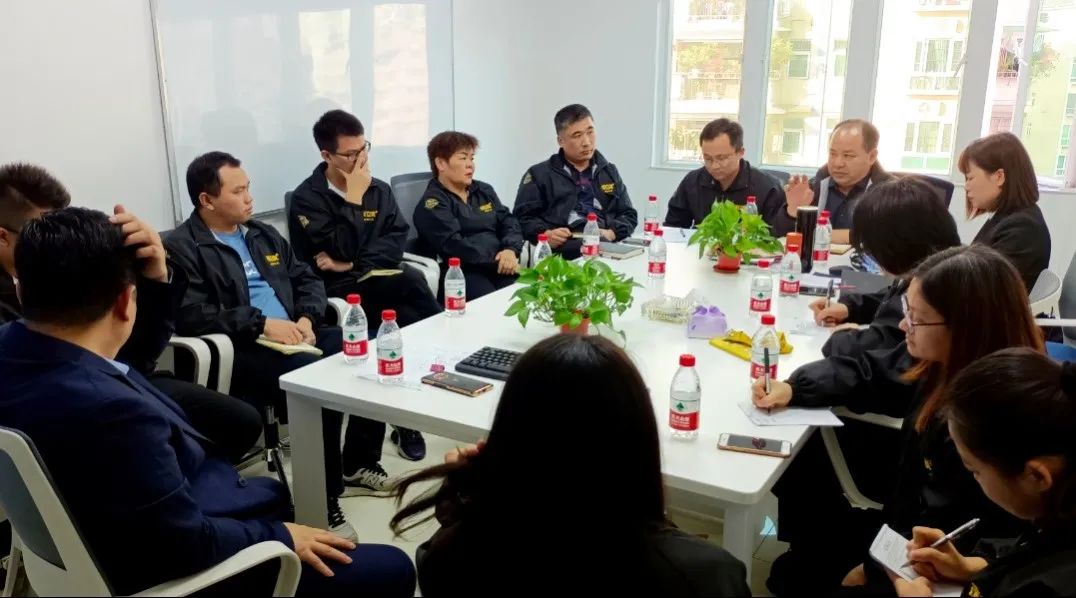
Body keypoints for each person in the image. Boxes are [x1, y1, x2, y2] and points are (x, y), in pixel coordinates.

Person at [0, 207, 416, 597]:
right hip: (177, 568)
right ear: (126, 302)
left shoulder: (16, 352)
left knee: (272, 491)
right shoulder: (114, 413)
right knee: (393, 566)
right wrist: (282, 537)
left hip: (96, 540)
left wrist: (157, 279)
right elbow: (185, 543)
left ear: (21, 288)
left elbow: (128, 361)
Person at [755, 245, 1041, 595]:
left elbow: (963, 538)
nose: (904, 324)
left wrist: (878, 571)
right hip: (909, 534)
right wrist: (795, 387)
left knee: (795, 577)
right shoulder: (943, 363)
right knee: (792, 567)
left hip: (938, 564)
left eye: (916, 318)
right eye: (906, 309)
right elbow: (875, 372)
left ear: (965, 328)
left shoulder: (990, 417)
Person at [390, 334, 751, 597]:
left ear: (511, 434)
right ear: (636, 440)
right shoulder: (706, 575)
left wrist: (468, 500)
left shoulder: (452, 558)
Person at [165, 151, 396, 540]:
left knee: (368, 348)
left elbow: (306, 279)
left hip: (296, 334)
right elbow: (192, 314)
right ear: (207, 200)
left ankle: (358, 461)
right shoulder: (183, 248)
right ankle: (322, 502)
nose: (249, 198)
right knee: (319, 381)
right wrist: (262, 324)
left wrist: (307, 317)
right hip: (244, 347)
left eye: (248, 188)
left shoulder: (261, 234)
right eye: (238, 191)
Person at [0, 163, 261, 464]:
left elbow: (139, 355)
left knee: (237, 422)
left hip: (115, 375)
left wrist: (156, 280)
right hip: (58, 404)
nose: (54, 240)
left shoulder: (67, 265)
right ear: (3, 237)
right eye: (40, 232)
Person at [289, 110, 437, 460]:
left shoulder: (379, 189)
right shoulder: (307, 199)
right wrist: (353, 201)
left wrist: (354, 262)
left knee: (405, 317)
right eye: (350, 154)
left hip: (375, 279)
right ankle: (442, 356)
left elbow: (395, 242)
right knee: (411, 281)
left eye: (364, 149)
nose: (361, 160)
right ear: (326, 155)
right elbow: (336, 250)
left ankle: (404, 412)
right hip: (337, 290)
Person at [888, 349, 1076, 597]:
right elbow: (1028, 554)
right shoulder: (1056, 517)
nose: (974, 479)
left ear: (1037, 476)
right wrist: (970, 567)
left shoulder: (1053, 586)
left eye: (974, 470)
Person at [810, 176, 962, 355]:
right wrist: (849, 308)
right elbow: (891, 298)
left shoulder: (932, 291)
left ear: (895, 244)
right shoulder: (928, 267)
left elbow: (881, 345)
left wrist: (842, 336)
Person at [513, 104, 638, 259]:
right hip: (566, 247)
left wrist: (612, 233)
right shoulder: (539, 174)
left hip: (607, 244)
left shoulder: (608, 171)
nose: (586, 142)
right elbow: (521, 219)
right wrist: (545, 234)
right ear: (561, 141)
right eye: (577, 135)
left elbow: (628, 214)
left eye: (590, 132)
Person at [412, 131, 522, 300]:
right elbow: (455, 246)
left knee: (528, 295)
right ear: (441, 163)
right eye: (463, 158)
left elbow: (508, 221)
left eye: (472, 158)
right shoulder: (432, 204)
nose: (470, 165)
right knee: (491, 302)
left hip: (500, 264)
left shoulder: (484, 190)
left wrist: (510, 249)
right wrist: (499, 260)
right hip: (461, 272)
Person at [958, 131, 1051, 293]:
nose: (966, 186)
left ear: (999, 177)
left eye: (970, 178)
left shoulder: (1022, 228)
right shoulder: (1005, 217)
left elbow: (981, 288)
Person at [775, 119, 894, 242]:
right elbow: (779, 236)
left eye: (848, 155)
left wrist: (825, 236)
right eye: (832, 154)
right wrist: (792, 211)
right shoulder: (814, 187)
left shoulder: (892, 195)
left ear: (872, 156)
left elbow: (889, 238)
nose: (837, 163)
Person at [663, 118, 785, 229]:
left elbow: (777, 236)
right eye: (708, 159)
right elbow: (673, 227)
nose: (714, 166)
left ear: (740, 152)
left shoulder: (768, 188)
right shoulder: (692, 181)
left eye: (721, 158)